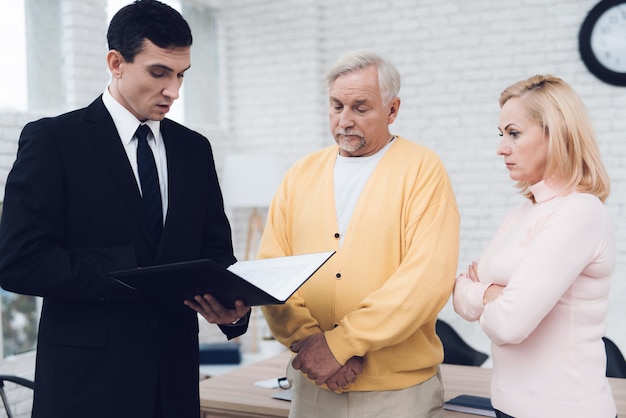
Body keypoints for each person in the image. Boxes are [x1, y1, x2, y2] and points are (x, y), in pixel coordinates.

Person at [0, 1, 250, 417]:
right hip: (86, 386)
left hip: (173, 386)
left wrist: (231, 309)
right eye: (159, 73)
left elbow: (215, 252)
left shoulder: (194, 149)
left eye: (181, 75)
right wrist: (131, 274)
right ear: (116, 62)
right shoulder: (53, 141)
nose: (173, 90)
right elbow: (18, 260)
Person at [259, 50, 460, 418]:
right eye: (336, 106)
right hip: (313, 386)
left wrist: (339, 346)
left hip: (398, 394)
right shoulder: (299, 174)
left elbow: (425, 281)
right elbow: (273, 270)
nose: (344, 120)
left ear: (392, 110)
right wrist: (310, 345)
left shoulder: (423, 170)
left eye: (360, 108)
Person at [453, 75, 617, 418]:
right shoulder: (521, 213)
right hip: (507, 406)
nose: (501, 148)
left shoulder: (579, 211)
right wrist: (492, 294)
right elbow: (459, 294)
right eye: (501, 135)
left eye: (513, 133)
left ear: (555, 134)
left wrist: (480, 291)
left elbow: (509, 324)